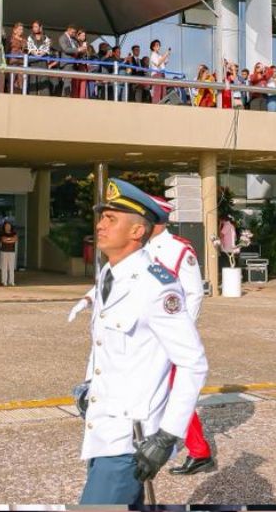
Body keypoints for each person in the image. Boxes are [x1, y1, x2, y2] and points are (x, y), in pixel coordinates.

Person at [64, 178, 207, 505]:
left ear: (137, 231)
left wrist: (168, 435)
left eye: (110, 219)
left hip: (131, 438)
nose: (100, 225)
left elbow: (193, 363)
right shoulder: (108, 274)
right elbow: (104, 345)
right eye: (102, 217)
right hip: (101, 428)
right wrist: (89, 386)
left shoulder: (156, 286)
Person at [145, 198, 214, 475]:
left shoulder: (179, 249)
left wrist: (181, 332)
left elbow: (194, 293)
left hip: (171, 335)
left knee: (177, 391)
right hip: (146, 335)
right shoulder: (140, 248)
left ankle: (199, 451)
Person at [0, 221, 19, 287]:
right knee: (4, 267)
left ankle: (11, 281)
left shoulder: (14, 233)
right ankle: (4, 281)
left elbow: (15, 239)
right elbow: (3, 240)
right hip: (4, 252)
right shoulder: (2, 233)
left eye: (9, 226)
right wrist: (11, 240)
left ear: (11, 226)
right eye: (6, 226)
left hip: (12, 252)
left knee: (11, 267)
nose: (8, 227)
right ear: (4, 227)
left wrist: (8, 240)